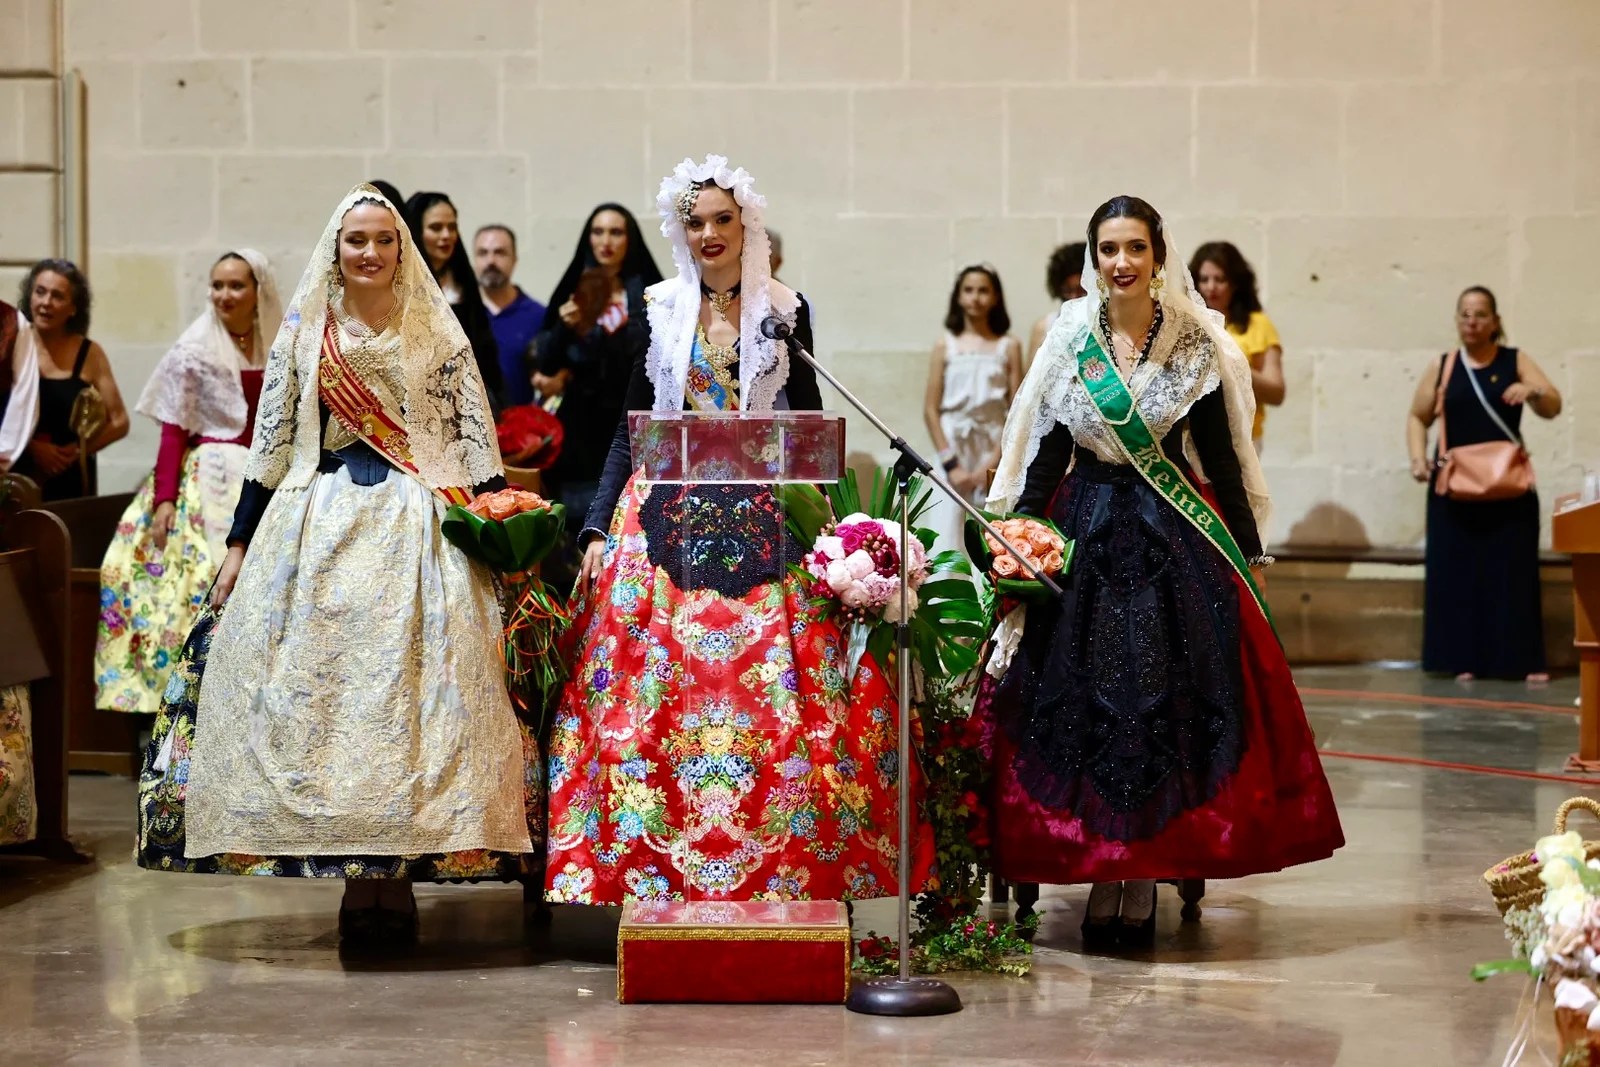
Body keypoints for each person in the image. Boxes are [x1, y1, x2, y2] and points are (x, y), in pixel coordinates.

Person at [135, 185, 536, 944]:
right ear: (336, 245)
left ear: (401, 246)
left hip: (415, 529)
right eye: (357, 238)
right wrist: (237, 543)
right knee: (332, 702)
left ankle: (399, 876)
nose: (371, 252)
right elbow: (270, 447)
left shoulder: (434, 330)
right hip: (315, 526)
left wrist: (499, 524)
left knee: (413, 705)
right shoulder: (304, 332)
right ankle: (357, 882)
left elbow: (474, 440)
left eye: (384, 238)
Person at [544, 156, 931, 905]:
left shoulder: (784, 309)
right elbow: (631, 430)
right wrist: (596, 526)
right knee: (649, 695)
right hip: (664, 516)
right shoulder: (658, 309)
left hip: (766, 515)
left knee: (785, 699)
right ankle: (647, 871)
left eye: (724, 219)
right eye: (696, 222)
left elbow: (810, 419)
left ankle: (787, 868)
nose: (710, 233)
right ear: (679, 231)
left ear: (747, 224)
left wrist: (839, 533)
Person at [978, 195, 1342, 950]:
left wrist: (1248, 553)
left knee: (1164, 707)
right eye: (1109, 248)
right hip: (1084, 538)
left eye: (1135, 247)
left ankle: (1143, 871)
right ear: (1093, 255)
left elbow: (1224, 461)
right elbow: (1050, 452)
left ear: (1156, 254)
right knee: (1082, 706)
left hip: (1171, 539)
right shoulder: (1068, 339)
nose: (1121, 262)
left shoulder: (1196, 343)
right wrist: (1019, 536)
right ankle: (1103, 867)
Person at [95, 251, 281, 715]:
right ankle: (183, 698)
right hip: (208, 478)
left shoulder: (279, 342)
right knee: (194, 575)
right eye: (217, 285)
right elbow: (173, 431)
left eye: (236, 285)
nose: (224, 295)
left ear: (258, 290)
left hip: (264, 476)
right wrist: (165, 500)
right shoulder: (193, 348)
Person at [1407, 286, 1560, 684]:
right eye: (1464, 314)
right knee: (1460, 575)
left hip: (1509, 489)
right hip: (1456, 489)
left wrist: (1534, 391)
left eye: (1479, 314)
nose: (1471, 321)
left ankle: (1520, 659)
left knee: (1513, 574)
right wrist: (1417, 458)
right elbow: (1417, 416)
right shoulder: (1444, 366)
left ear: (1495, 322)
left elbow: (1553, 406)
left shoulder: (1515, 360)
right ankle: (1464, 658)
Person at [531, 203, 662, 584]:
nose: (606, 241)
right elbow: (547, 361)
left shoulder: (650, 295)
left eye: (616, 232)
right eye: (598, 232)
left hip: (630, 422)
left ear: (630, 239)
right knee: (575, 524)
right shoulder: (575, 288)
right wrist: (564, 328)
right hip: (580, 429)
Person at [10, 260, 129, 500]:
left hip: (71, 478)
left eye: (57, 296)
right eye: (40, 292)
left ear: (73, 308)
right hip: (18, 473)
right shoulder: (11, 343)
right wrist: (32, 447)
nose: (46, 303)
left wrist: (76, 452)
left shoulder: (90, 352)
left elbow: (119, 422)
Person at [924, 264, 1022, 546]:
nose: (975, 297)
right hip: (953, 442)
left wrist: (992, 463)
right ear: (958, 296)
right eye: (968, 290)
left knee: (990, 529)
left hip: (992, 442)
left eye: (983, 291)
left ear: (995, 297)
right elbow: (931, 409)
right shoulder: (946, 345)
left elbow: (1017, 410)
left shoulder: (1009, 345)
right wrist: (950, 462)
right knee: (947, 526)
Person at [404, 191, 503, 412]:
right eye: (436, 227)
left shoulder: (463, 281)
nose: (446, 235)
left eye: (452, 227)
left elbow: (483, 346)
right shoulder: (403, 284)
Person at [1190, 242, 1284, 451]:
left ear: (1235, 283)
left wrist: (1231, 363)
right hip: (1193, 438)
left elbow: (1276, 392)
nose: (1211, 287)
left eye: (1220, 279)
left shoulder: (1257, 325)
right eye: (1204, 279)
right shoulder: (1188, 324)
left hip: (1242, 439)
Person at [474, 224, 546, 408]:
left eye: (500, 253)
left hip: (520, 430)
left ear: (514, 259)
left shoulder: (538, 316)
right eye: (483, 253)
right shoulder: (455, 315)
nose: (491, 261)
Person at [1025, 241, 1087, 371]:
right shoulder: (1045, 326)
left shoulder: (1109, 323)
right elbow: (1029, 379)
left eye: (1081, 289)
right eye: (1068, 290)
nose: (1074, 297)